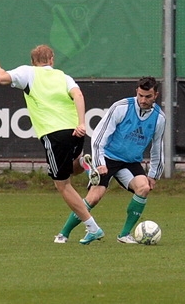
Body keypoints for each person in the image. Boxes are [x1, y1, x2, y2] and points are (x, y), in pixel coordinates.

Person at [0, 44, 104, 245]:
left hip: (54, 135)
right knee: (71, 169)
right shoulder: (64, 76)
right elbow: (79, 96)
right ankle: (84, 164)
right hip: (75, 131)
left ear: (33, 61)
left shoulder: (28, 72)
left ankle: (93, 228)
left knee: (62, 185)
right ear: (52, 60)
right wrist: (82, 123)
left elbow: (1, 78)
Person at [54, 76, 165, 244]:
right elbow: (99, 137)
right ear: (136, 91)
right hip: (107, 157)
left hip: (130, 161)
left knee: (143, 187)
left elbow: (157, 147)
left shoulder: (159, 118)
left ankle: (124, 235)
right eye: (140, 95)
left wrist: (154, 174)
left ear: (155, 95)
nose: (143, 100)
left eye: (148, 96)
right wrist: (100, 163)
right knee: (94, 197)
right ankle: (63, 234)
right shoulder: (121, 107)